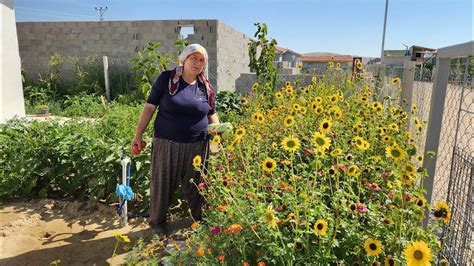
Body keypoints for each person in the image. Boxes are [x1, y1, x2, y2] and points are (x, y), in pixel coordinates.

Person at [131, 43, 219, 233]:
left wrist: (220, 133)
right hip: (167, 144)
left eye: (202, 60)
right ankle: (157, 226)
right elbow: (149, 108)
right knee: (162, 184)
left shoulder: (205, 87)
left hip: (198, 146)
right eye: (193, 58)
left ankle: (201, 225)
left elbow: (211, 114)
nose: (198, 62)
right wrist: (138, 136)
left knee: (198, 187)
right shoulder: (167, 79)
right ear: (184, 59)